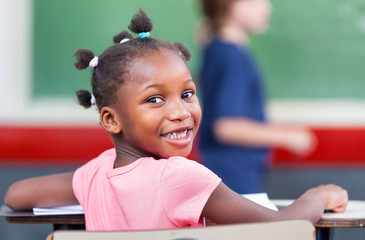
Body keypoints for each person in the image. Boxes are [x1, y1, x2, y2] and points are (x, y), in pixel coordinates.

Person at [4, 9, 347, 231]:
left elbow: (17, 195)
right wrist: (318, 196)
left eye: (187, 94)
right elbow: (283, 225)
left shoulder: (97, 173)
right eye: (154, 99)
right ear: (110, 119)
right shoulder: (181, 177)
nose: (180, 111)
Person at [198, 0, 317, 194]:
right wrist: (289, 136)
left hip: (224, 172)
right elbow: (226, 126)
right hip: (233, 174)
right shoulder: (233, 57)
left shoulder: (215, 47)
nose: (266, 7)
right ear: (226, 5)